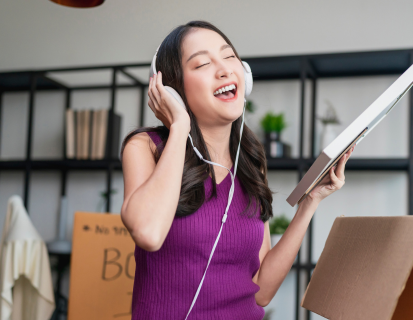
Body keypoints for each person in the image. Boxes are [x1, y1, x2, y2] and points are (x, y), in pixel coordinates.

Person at [120, 20, 353, 320]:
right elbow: (149, 234)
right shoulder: (146, 147)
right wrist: (179, 127)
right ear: (172, 90)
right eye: (203, 63)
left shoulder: (249, 163)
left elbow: (262, 291)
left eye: (229, 57)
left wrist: (310, 202)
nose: (225, 69)